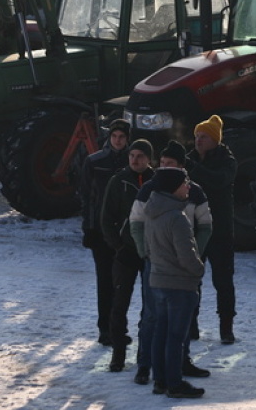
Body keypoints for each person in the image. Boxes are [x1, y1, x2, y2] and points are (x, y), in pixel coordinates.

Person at [130, 141, 212, 385]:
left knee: (181, 319)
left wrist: (194, 254)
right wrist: (147, 253)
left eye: (170, 164)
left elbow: (205, 226)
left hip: (183, 267)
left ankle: (180, 362)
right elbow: (136, 224)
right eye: (162, 163)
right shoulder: (149, 191)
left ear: (181, 167)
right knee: (153, 317)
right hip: (158, 264)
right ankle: (145, 365)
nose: (163, 168)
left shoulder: (193, 193)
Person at [143, 167, 207, 399]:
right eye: (185, 183)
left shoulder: (152, 213)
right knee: (176, 338)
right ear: (173, 187)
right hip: (179, 285)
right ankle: (175, 383)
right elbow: (187, 256)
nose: (188, 187)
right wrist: (199, 270)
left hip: (158, 281)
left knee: (161, 333)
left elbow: (148, 249)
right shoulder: (176, 218)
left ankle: (160, 380)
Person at [101, 139, 155, 372]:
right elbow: (106, 218)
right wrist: (118, 245)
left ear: (149, 159)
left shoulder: (158, 182)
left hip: (152, 254)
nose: (135, 160)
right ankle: (118, 354)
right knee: (119, 305)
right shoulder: (118, 181)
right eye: (132, 155)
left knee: (151, 307)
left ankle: (146, 354)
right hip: (126, 252)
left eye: (140, 156)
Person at [185, 115, 238, 344]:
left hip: (220, 230)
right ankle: (191, 325)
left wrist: (193, 169)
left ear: (215, 140)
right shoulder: (189, 160)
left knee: (223, 281)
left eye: (204, 136)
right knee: (191, 280)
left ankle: (226, 328)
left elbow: (219, 180)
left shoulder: (227, 161)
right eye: (197, 136)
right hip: (195, 229)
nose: (198, 140)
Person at [80, 119, 131, 346]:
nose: (118, 141)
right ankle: (105, 329)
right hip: (101, 232)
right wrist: (89, 228)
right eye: (114, 137)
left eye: (122, 137)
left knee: (123, 283)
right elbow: (87, 199)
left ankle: (118, 328)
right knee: (105, 281)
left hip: (126, 233)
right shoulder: (95, 162)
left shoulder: (135, 163)